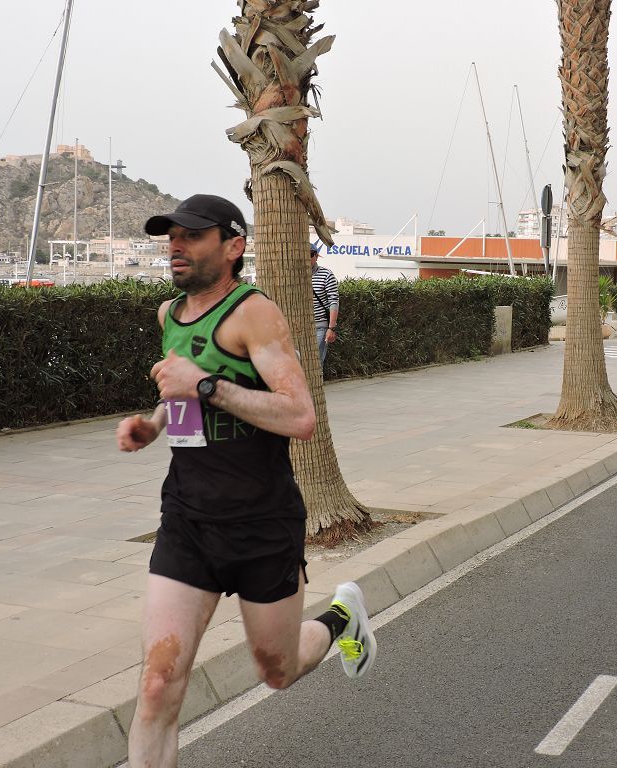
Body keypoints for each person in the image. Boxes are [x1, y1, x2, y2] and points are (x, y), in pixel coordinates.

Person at [116, 194, 376, 768]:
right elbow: (179, 392)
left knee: (276, 671)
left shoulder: (254, 313)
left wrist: (205, 385)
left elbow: (300, 416)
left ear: (233, 246)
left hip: (261, 524)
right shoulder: (169, 314)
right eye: (171, 236)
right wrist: (153, 424)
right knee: (158, 683)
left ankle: (341, 618)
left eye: (192, 236)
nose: (175, 246)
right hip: (187, 520)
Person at [310, 243, 339, 364]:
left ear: (316, 256)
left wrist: (331, 328)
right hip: (298, 327)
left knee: (315, 363)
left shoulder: (326, 274)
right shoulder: (295, 276)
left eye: (310, 254)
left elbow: (334, 301)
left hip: (319, 326)